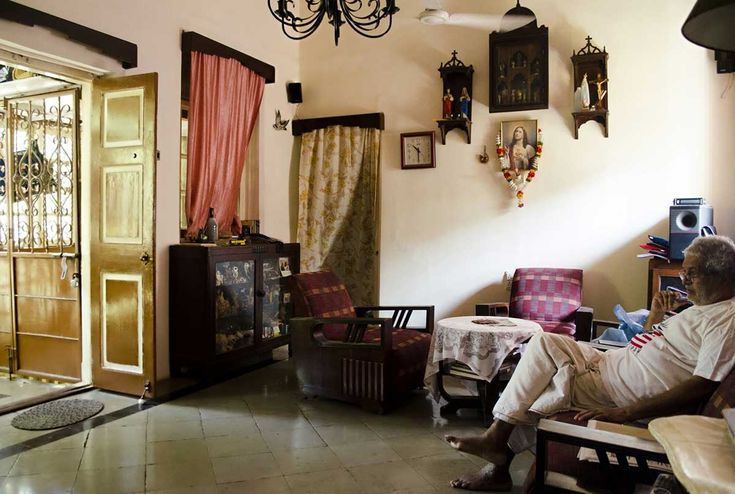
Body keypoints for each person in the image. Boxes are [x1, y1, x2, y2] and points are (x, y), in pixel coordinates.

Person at [445, 235, 735, 491]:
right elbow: (653, 344)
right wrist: (656, 316)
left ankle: (497, 453)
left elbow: (703, 383)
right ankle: (496, 443)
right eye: (683, 271)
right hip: (608, 362)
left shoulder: (727, 319)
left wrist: (625, 412)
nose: (683, 280)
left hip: (616, 391)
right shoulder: (703, 307)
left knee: (539, 384)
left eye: (691, 273)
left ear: (720, 275)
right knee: (544, 341)